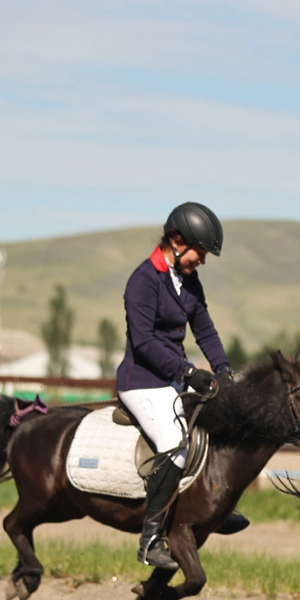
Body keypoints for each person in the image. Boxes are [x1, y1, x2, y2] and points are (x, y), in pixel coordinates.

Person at [116, 201, 235, 570]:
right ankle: (151, 538)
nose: (203, 260)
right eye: (201, 251)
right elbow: (144, 343)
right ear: (178, 241)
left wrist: (223, 369)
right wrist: (187, 373)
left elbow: (205, 329)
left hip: (170, 379)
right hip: (142, 382)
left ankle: (216, 506)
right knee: (174, 445)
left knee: (217, 424)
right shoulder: (143, 280)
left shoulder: (187, 281)